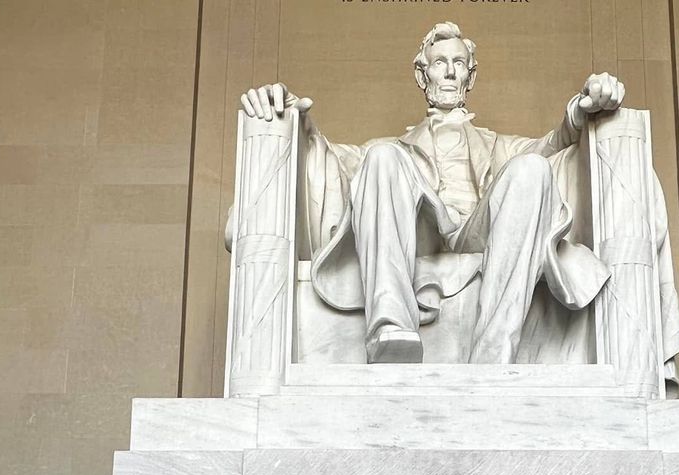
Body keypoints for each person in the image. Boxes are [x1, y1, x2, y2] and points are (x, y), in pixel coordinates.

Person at [240, 22, 627, 365]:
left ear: (470, 78)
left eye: (458, 63)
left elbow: (555, 143)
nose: (448, 72)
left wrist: (581, 108)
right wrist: (292, 119)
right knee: (382, 156)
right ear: (422, 75)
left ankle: (494, 352)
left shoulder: (499, 146)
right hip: (423, 227)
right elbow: (326, 159)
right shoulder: (390, 150)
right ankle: (390, 327)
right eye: (439, 62)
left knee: (532, 168)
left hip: (481, 229)